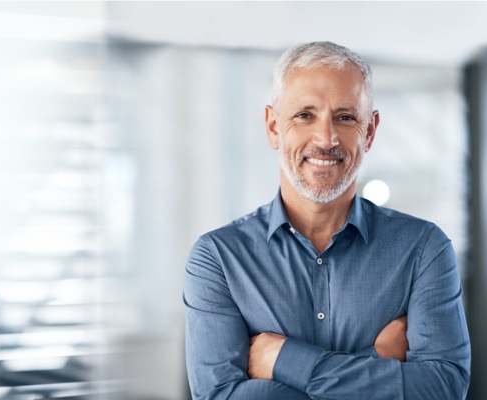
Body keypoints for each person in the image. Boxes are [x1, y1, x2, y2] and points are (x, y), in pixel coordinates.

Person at [183, 41, 471, 399]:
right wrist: (376, 357)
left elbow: (442, 389)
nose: (326, 139)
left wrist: (284, 360)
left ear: (369, 132)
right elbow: (219, 397)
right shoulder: (219, 259)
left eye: (345, 117)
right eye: (305, 115)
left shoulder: (423, 249)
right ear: (274, 127)